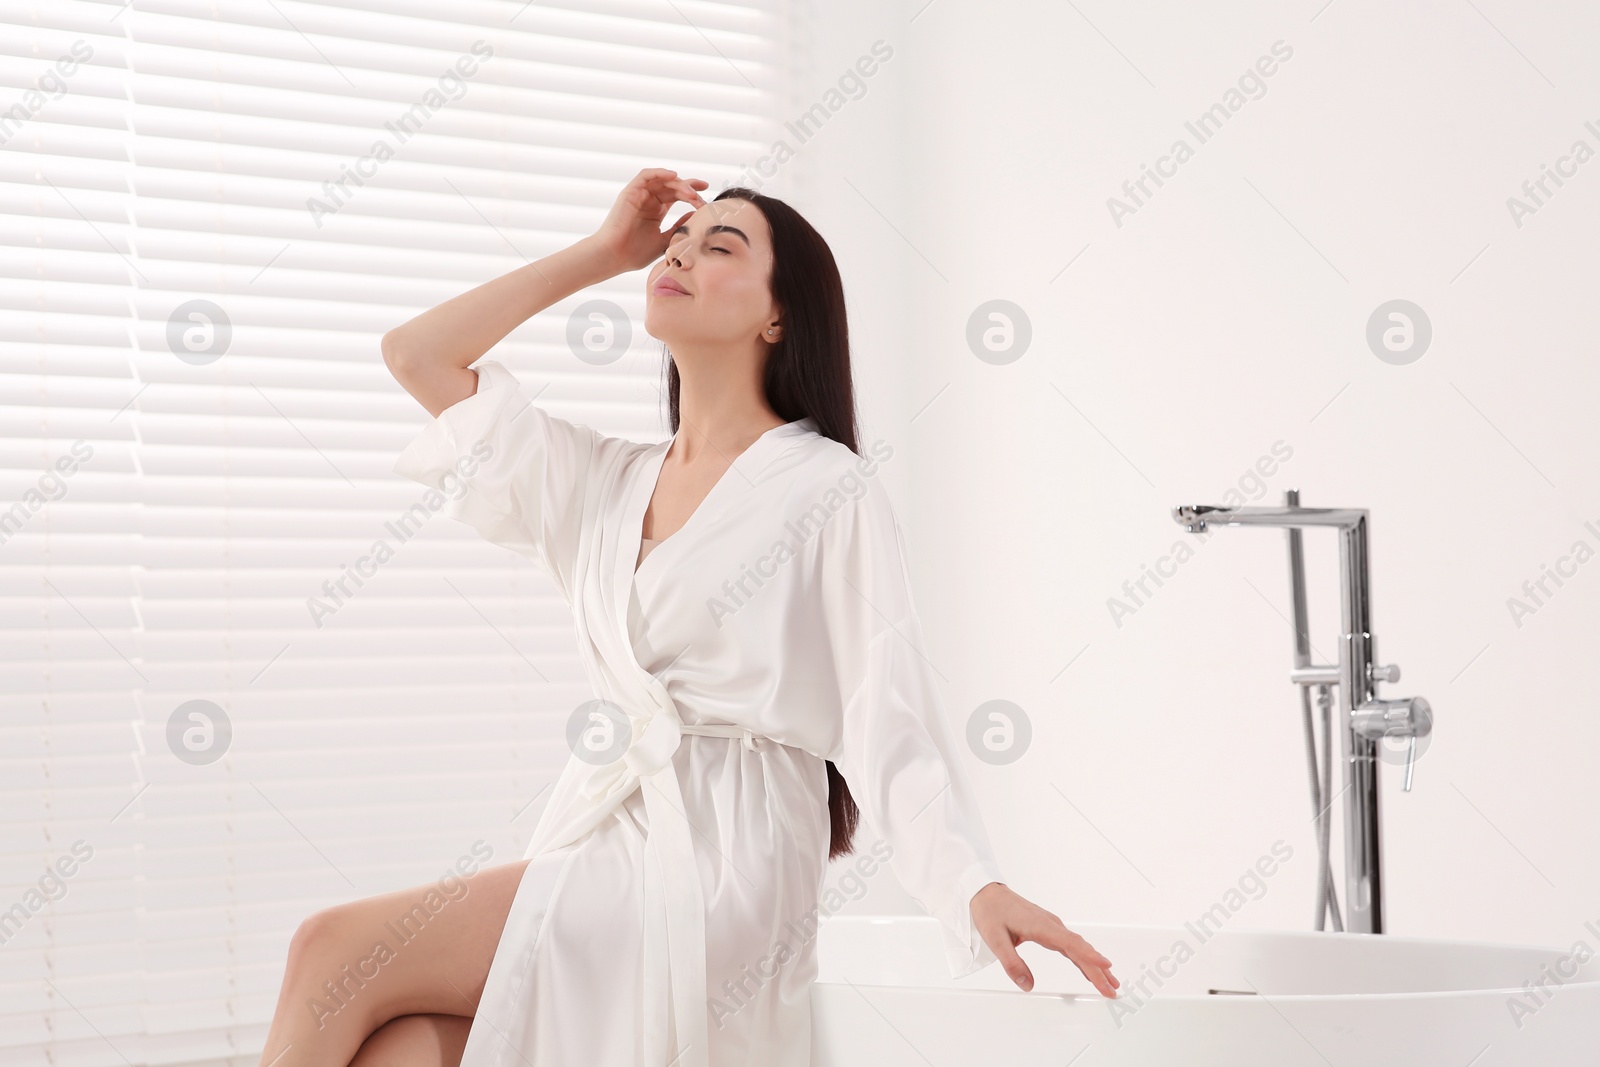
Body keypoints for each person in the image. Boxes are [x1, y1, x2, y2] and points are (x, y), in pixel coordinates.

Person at [256, 168, 1118, 1067]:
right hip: (609, 832)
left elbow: (885, 709)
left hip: (725, 862)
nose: (681, 252)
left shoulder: (827, 486)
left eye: (722, 245)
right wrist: (601, 253)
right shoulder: (604, 483)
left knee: (332, 950)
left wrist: (972, 885)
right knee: (406, 1046)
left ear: (777, 316)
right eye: (679, 240)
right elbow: (417, 354)